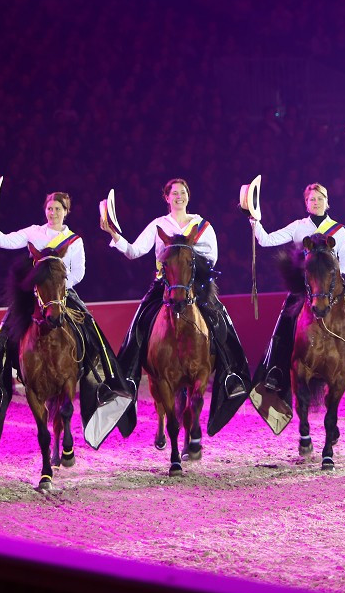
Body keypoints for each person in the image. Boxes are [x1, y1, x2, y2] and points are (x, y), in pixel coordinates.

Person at [0, 191, 134, 450]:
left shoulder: (75, 240)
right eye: (49, 208)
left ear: (66, 211)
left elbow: (79, 272)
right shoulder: (33, 232)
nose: (53, 212)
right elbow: (2, 240)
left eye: (58, 208)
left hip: (63, 294)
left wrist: (57, 288)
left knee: (91, 330)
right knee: (6, 332)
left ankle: (104, 382)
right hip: (36, 296)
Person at [103, 178, 251, 437]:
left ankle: (232, 375)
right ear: (167, 197)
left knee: (220, 319)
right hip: (165, 285)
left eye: (182, 192)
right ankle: (126, 379)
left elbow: (213, 256)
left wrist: (188, 259)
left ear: (188, 196)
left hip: (196, 284)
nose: (179, 196)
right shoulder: (159, 224)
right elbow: (135, 251)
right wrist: (116, 236)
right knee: (139, 324)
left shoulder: (202, 224)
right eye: (174, 193)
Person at [247, 182, 345, 431]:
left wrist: (331, 274)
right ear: (306, 204)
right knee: (284, 321)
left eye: (319, 198)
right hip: (306, 290)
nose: (316, 202)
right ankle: (274, 372)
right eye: (311, 199)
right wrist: (254, 220)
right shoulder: (298, 227)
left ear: (327, 201)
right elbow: (266, 240)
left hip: (333, 287)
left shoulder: (339, 230)